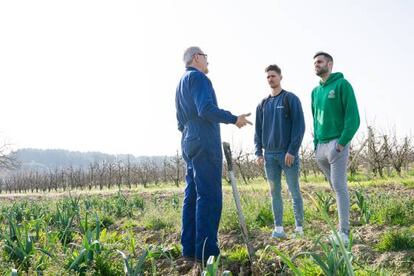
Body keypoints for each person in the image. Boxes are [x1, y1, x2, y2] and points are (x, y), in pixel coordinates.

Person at [175, 46, 252, 263]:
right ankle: (208, 254)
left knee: (192, 196)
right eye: (206, 57)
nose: (208, 62)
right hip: (204, 140)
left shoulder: (180, 83)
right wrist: (233, 118)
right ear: (197, 58)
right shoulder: (199, 79)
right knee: (209, 197)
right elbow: (206, 109)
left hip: (188, 139)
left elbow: (179, 122)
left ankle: (189, 250)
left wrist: (190, 135)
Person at [311, 51, 360, 245]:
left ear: (330, 64)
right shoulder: (315, 92)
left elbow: (353, 118)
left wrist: (341, 143)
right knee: (334, 187)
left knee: (339, 186)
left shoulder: (342, 85)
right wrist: (316, 146)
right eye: (314, 62)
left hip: (336, 144)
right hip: (321, 147)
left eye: (320, 62)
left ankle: (344, 233)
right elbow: (315, 119)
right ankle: (341, 228)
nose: (316, 65)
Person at [254, 64, 306, 239]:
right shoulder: (262, 104)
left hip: (287, 154)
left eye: (273, 76)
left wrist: (292, 150)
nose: (270, 79)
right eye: (268, 76)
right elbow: (258, 131)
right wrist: (258, 153)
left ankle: (299, 229)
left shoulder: (290, 99)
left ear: (281, 77)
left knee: (294, 191)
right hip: (269, 156)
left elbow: (299, 127)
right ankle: (279, 229)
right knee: (274, 192)